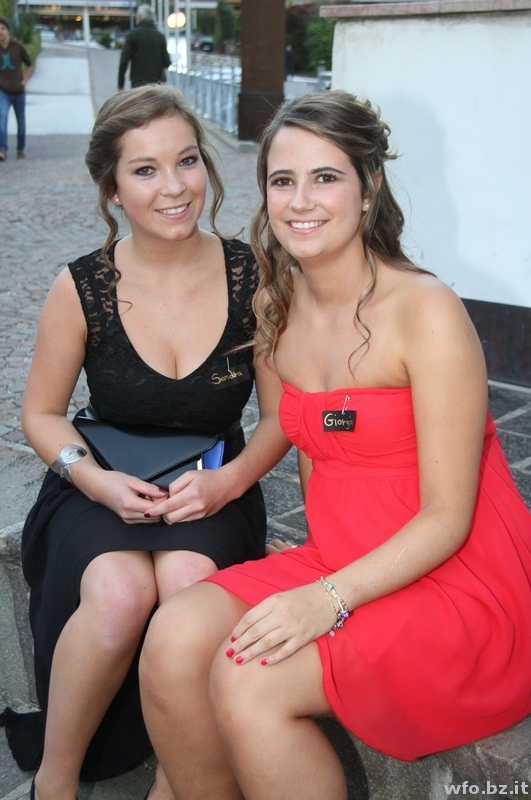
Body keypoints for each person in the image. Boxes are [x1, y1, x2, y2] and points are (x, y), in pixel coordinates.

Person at [139, 90, 531, 800]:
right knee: (172, 637)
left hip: (456, 577)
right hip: (342, 557)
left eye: (325, 177)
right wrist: (313, 562)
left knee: (248, 678)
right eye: (282, 180)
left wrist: (325, 599)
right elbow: (309, 447)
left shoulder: (426, 311)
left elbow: (448, 516)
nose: (300, 202)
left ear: (368, 186)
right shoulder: (275, 305)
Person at [9, 84, 290, 800]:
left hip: (214, 483)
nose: (174, 187)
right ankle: (54, 782)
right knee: (119, 592)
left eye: (187, 161)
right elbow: (41, 414)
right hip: (100, 482)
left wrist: (228, 484)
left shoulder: (254, 278)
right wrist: (92, 479)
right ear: (112, 190)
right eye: (144, 170)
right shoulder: (82, 286)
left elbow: (280, 418)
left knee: (188, 588)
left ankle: (177, 781)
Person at [0, 15, 33, 161]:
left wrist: (24, 81)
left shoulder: (17, 46)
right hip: (3, 91)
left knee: (21, 121)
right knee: (2, 117)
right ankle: (2, 149)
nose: (0, 32)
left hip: (18, 91)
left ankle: (20, 149)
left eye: (2, 29)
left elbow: (29, 64)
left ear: (8, 30)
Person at [118, 5, 170, 92]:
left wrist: (120, 84)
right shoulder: (159, 36)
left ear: (139, 17)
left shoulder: (133, 35)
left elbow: (124, 61)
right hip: (157, 83)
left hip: (138, 83)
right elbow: (166, 62)